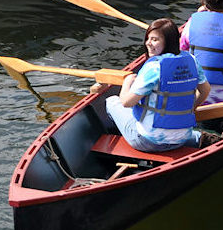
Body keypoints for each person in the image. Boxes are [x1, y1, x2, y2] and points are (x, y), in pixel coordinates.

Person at [91, 18, 214, 151]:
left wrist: (127, 83)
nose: (148, 43)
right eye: (148, 38)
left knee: (111, 101)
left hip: (147, 142)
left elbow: (126, 102)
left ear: (168, 42)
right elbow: (205, 90)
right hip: (181, 139)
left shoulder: (154, 68)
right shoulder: (192, 61)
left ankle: (115, 137)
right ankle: (202, 138)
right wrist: (189, 109)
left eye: (155, 40)